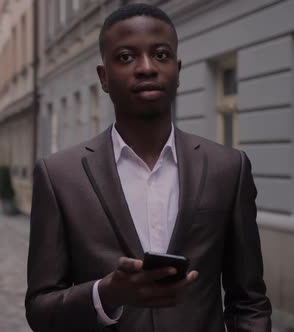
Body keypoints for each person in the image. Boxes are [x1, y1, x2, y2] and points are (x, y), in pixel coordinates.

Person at [25, 3, 271, 332]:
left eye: (160, 54)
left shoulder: (227, 168)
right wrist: (107, 293)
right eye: (126, 57)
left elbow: (249, 301)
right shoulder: (59, 176)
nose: (146, 68)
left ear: (178, 70)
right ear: (104, 77)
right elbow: (40, 310)